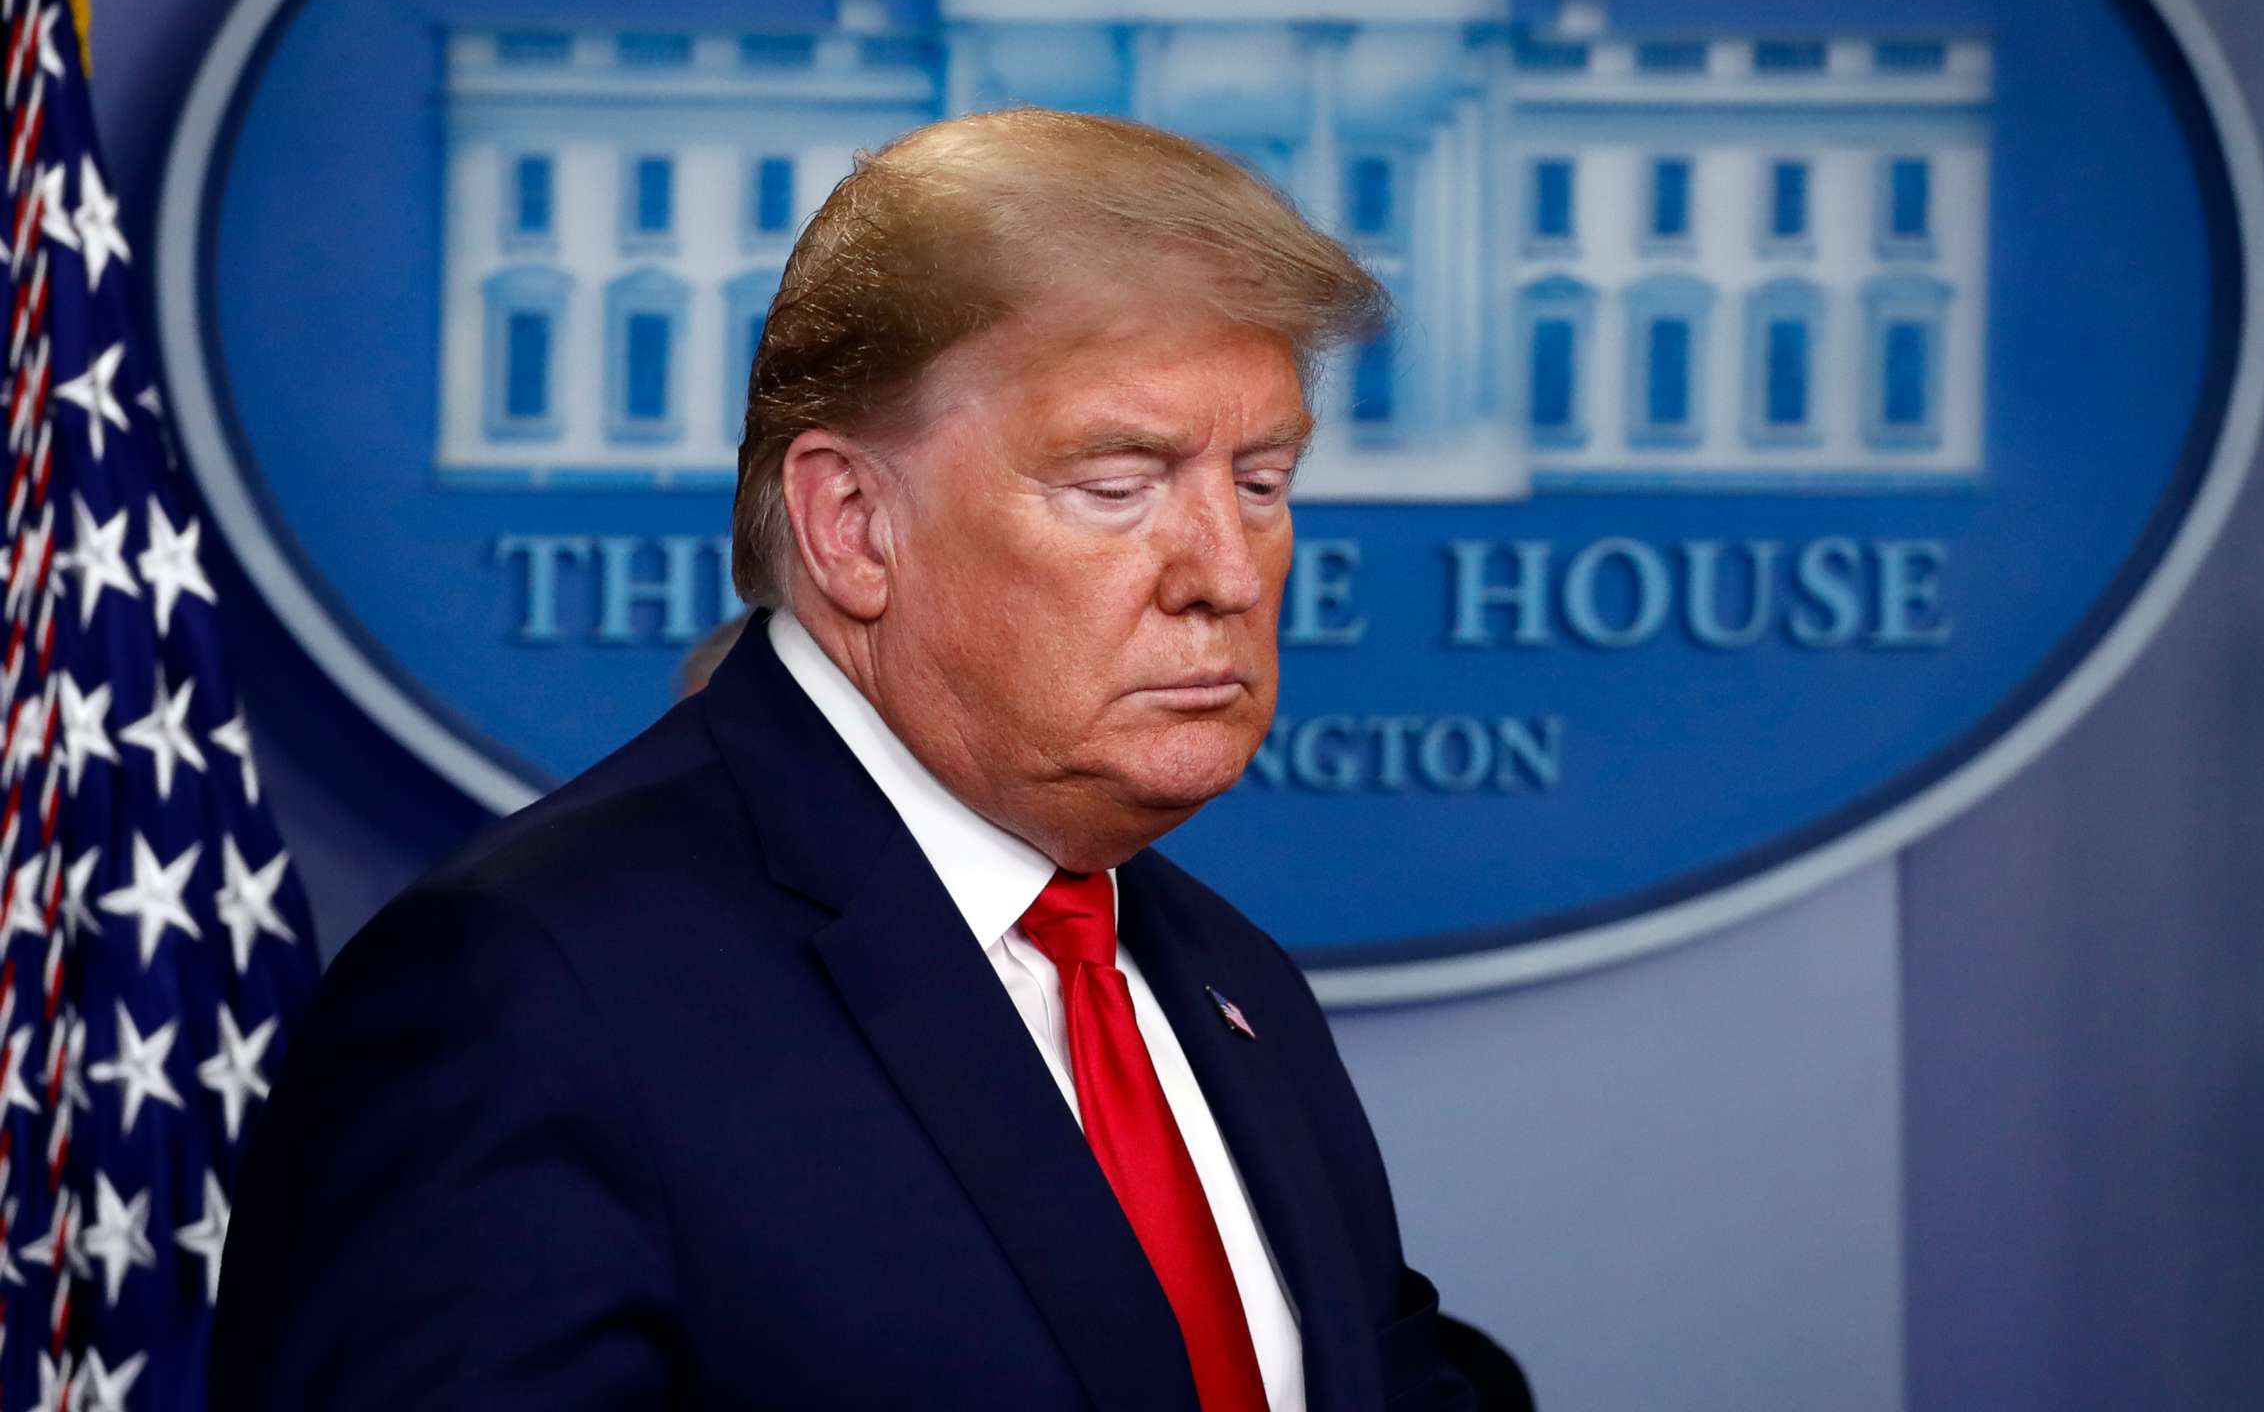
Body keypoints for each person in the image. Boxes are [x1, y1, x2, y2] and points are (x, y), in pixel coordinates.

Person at [212, 109, 1474, 1410]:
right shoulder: (532, 990)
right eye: (1118, 484)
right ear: (853, 524)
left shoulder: (1220, 979)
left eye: (1261, 482)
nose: (1225, 570)